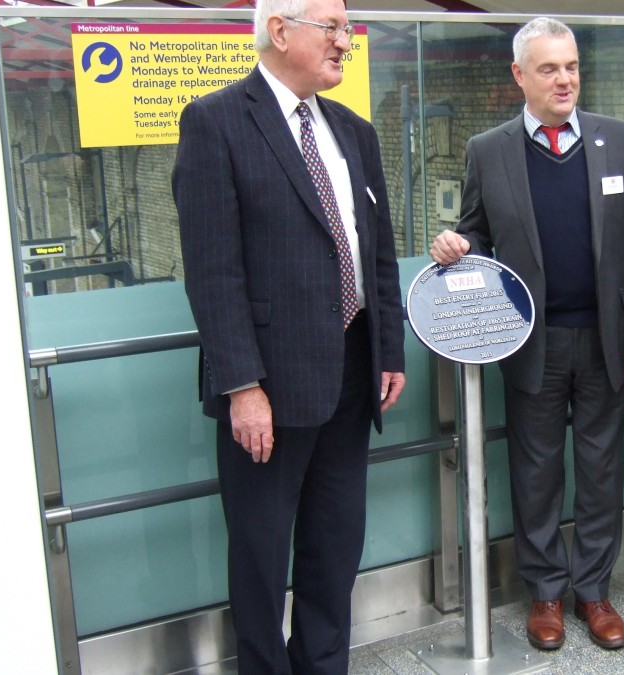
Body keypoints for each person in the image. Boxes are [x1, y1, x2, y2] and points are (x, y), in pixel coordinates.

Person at [172, 0, 406, 671]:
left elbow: (377, 253)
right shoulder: (216, 122)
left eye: (347, 28)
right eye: (331, 28)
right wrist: (243, 386)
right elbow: (213, 272)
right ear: (279, 31)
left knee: (335, 547)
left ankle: (323, 662)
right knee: (260, 554)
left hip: (353, 373)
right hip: (269, 387)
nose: (345, 41)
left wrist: (388, 348)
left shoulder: (353, 132)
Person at [430, 17, 624, 652]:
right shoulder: (490, 149)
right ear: (520, 76)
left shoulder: (621, 140)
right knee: (535, 473)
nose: (564, 80)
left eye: (571, 67)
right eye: (549, 69)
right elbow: (476, 229)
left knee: (600, 469)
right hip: (528, 340)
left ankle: (594, 591)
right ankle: (547, 593)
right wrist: (456, 243)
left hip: (606, 340)